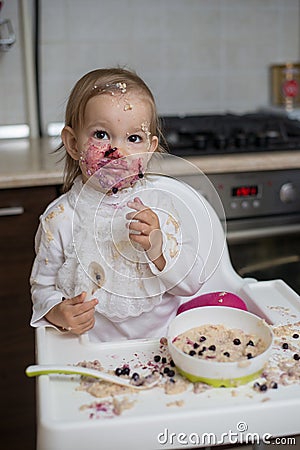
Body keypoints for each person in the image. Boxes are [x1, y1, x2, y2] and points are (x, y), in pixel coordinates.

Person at [30, 67, 204, 341]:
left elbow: (191, 284)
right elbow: (42, 289)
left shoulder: (163, 209)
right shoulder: (60, 220)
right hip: (93, 355)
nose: (117, 151)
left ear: (149, 149)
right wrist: (57, 312)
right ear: (73, 144)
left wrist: (159, 249)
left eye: (133, 138)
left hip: (163, 347)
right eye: (101, 134)